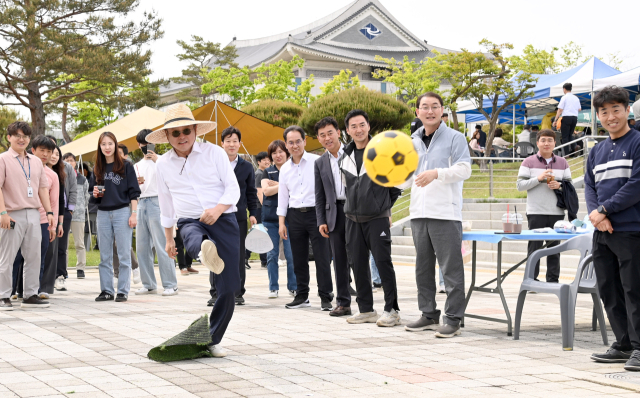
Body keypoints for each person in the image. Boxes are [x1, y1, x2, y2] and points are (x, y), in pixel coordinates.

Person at [148, 103, 240, 358]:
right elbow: (166, 205)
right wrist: (168, 239)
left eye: (186, 131)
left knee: (229, 286)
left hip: (224, 218)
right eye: (175, 133)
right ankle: (202, 252)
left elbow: (233, 189)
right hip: (190, 219)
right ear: (167, 137)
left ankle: (212, 338)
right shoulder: (163, 165)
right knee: (191, 235)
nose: (181, 137)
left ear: (195, 130)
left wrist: (218, 209)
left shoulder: (215, 153)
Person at [403, 92, 471, 338]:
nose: (429, 111)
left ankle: (453, 318)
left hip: (445, 213)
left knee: (450, 269)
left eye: (434, 107)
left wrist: (436, 173)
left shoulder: (455, 137)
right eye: (424, 107)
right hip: (418, 213)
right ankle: (429, 314)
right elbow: (406, 178)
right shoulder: (411, 141)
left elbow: (464, 168)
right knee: (422, 268)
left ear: (442, 110)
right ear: (417, 112)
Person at [585, 86, 640, 371]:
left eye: (616, 109)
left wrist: (605, 210)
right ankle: (624, 344)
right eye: (604, 111)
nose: (610, 116)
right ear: (598, 115)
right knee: (609, 288)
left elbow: (636, 185)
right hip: (602, 231)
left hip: (631, 229)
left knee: (634, 289)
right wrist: (596, 213)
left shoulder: (637, 142)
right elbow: (590, 187)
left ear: (627, 110)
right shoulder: (597, 150)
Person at [339, 109, 402, 327]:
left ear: (369, 126)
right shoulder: (344, 156)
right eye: (353, 126)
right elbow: (347, 187)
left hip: (377, 218)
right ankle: (366, 309)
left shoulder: (381, 152)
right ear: (347, 130)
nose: (358, 129)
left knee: (383, 262)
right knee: (357, 263)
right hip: (352, 219)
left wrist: (382, 207)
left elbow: (395, 187)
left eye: (362, 125)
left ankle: (392, 310)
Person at [277, 126, 334, 310]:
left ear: (305, 141)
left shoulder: (318, 161)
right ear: (286, 145)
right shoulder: (284, 169)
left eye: (298, 141)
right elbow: (283, 197)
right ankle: (302, 296)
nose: (295, 145)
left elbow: (327, 190)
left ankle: (326, 296)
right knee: (298, 258)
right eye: (291, 142)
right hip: (294, 216)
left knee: (322, 257)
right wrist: (281, 223)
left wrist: (325, 217)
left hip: (316, 215)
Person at [0, 121, 54, 310]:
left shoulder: (36, 161)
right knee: (7, 257)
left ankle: (30, 295)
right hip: (12, 214)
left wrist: (49, 213)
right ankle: (3, 295)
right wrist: (3, 213)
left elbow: (42, 188)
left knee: (34, 256)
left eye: (25, 136)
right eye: (18, 136)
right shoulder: (3, 159)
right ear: (9, 138)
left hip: (34, 214)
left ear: (29, 139)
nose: (21, 139)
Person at [89, 131, 140, 302]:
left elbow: (134, 192)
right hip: (103, 213)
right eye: (103, 144)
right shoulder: (97, 168)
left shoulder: (126, 166)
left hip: (122, 212)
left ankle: (123, 291)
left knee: (124, 253)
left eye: (110, 143)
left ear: (115, 145)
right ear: (100, 147)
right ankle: (107, 290)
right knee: (105, 255)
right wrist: (95, 193)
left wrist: (134, 213)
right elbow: (92, 195)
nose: (107, 147)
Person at [210, 126, 258, 306]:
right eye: (228, 141)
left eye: (235, 141)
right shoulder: (214, 164)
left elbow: (251, 192)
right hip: (216, 216)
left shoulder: (246, 167)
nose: (231, 144)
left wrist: (253, 213)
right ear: (221, 144)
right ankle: (215, 292)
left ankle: (238, 292)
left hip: (237, 217)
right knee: (214, 253)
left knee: (238, 255)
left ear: (240, 144)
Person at [516, 129, 572, 282]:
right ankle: (531, 279)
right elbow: (520, 185)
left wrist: (559, 186)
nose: (546, 143)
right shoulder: (528, 162)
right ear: (537, 143)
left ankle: (553, 280)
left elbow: (570, 188)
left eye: (550, 140)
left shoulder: (563, 162)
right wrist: (538, 178)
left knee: (555, 248)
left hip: (557, 211)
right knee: (534, 248)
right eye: (543, 140)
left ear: (555, 143)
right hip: (536, 211)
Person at [132, 129, 179, 297]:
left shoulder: (164, 161)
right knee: (142, 246)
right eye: (143, 144)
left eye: (149, 144)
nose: (147, 147)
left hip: (158, 202)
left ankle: (170, 284)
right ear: (139, 145)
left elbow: (173, 178)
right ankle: (148, 283)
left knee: (162, 244)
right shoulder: (136, 166)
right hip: (141, 202)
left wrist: (157, 159)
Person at [11, 136, 58, 301]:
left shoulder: (52, 175)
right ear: (33, 150)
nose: (45, 154)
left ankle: (32, 291)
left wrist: (53, 224)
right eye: (42, 150)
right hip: (19, 217)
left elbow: (53, 200)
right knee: (15, 257)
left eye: (49, 151)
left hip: (43, 221)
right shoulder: (18, 167)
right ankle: (10, 291)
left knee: (38, 257)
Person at [314, 117, 352, 317]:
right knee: (339, 260)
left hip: (356, 210)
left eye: (330, 133)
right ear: (318, 139)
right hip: (334, 213)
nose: (327, 138)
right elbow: (319, 195)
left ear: (339, 132)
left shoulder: (354, 153)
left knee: (360, 257)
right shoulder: (320, 162)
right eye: (322, 135)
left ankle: (365, 302)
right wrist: (321, 220)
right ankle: (343, 303)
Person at [262, 141, 297, 298]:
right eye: (274, 153)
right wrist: (284, 185)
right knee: (272, 254)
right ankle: (273, 287)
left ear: (287, 153)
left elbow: (296, 188)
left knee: (291, 255)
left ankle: (293, 286)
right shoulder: (267, 172)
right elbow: (266, 191)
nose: (278, 155)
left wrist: (279, 184)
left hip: (291, 218)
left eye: (281, 151)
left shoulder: (293, 169)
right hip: (270, 218)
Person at [45, 136, 77, 292]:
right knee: (47, 245)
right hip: (46, 211)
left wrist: (70, 209)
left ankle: (60, 276)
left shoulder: (65, 168)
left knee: (61, 246)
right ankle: (46, 278)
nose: (52, 155)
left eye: (54, 150)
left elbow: (73, 189)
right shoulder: (40, 167)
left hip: (63, 212)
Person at [112, 143, 140, 287]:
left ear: (126, 156)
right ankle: (117, 274)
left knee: (121, 243)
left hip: (127, 208)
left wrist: (133, 213)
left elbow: (134, 191)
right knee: (113, 244)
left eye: (120, 153)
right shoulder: (109, 168)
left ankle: (134, 267)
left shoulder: (129, 167)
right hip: (111, 210)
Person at [40, 147, 66, 295]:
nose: (53, 156)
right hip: (35, 217)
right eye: (51, 153)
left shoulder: (57, 175)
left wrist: (58, 223)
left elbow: (59, 202)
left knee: (51, 253)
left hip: (52, 219)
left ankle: (45, 288)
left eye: (57, 154)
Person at [63, 153, 90, 279]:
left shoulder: (82, 179)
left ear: (75, 162)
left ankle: (80, 268)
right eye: (66, 160)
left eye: (71, 160)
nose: (69, 162)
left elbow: (86, 196)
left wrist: (81, 208)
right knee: (64, 244)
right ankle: (64, 268)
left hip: (78, 215)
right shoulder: (61, 177)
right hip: (64, 214)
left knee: (79, 243)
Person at [247, 151, 270, 269]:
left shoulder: (262, 173)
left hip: (259, 208)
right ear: (259, 162)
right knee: (260, 233)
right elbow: (259, 192)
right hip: (259, 208)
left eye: (268, 159)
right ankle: (262, 260)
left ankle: (260, 260)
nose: (267, 162)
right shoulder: (260, 174)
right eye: (264, 160)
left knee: (258, 233)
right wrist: (265, 207)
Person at [554, 83, 581, 156]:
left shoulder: (564, 97)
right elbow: (579, 109)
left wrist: (555, 120)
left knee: (564, 136)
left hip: (566, 117)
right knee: (570, 135)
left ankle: (566, 154)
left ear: (564, 89)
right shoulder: (576, 98)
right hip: (574, 118)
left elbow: (560, 109)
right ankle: (575, 147)